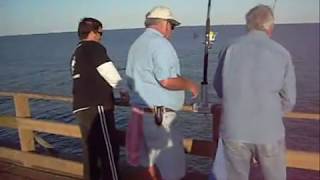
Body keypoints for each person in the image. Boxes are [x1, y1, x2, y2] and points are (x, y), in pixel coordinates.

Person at [213, 4, 296, 180]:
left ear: (247, 24)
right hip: (269, 131)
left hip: (234, 130)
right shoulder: (282, 53)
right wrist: (270, 113)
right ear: (270, 27)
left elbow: (219, 88)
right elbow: (289, 99)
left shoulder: (229, 49)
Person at [125, 6, 200, 180]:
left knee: (148, 165)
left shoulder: (137, 45)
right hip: (160, 116)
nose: (172, 31)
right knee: (172, 169)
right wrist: (191, 85)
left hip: (140, 114)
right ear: (165, 24)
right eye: (172, 26)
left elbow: (130, 81)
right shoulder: (161, 44)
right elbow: (166, 80)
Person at [70, 17, 127, 180]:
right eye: (100, 33)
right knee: (108, 150)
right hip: (97, 106)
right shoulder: (94, 48)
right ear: (94, 33)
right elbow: (109, 72)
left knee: (91, 151)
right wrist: (124, 91)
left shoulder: (77, 52)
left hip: (81, 107)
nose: (101, 37)